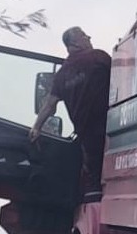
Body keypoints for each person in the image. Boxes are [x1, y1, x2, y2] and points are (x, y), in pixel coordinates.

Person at [29, 26, 112, 203]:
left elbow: (49, 105)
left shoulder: (61, 75)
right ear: (74, 42)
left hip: (88, 138)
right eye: (84, 35)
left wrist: (36, 127)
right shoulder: (98, 57)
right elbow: (124, 74)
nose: (89, 37)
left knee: (94, 185)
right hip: (114, 126)